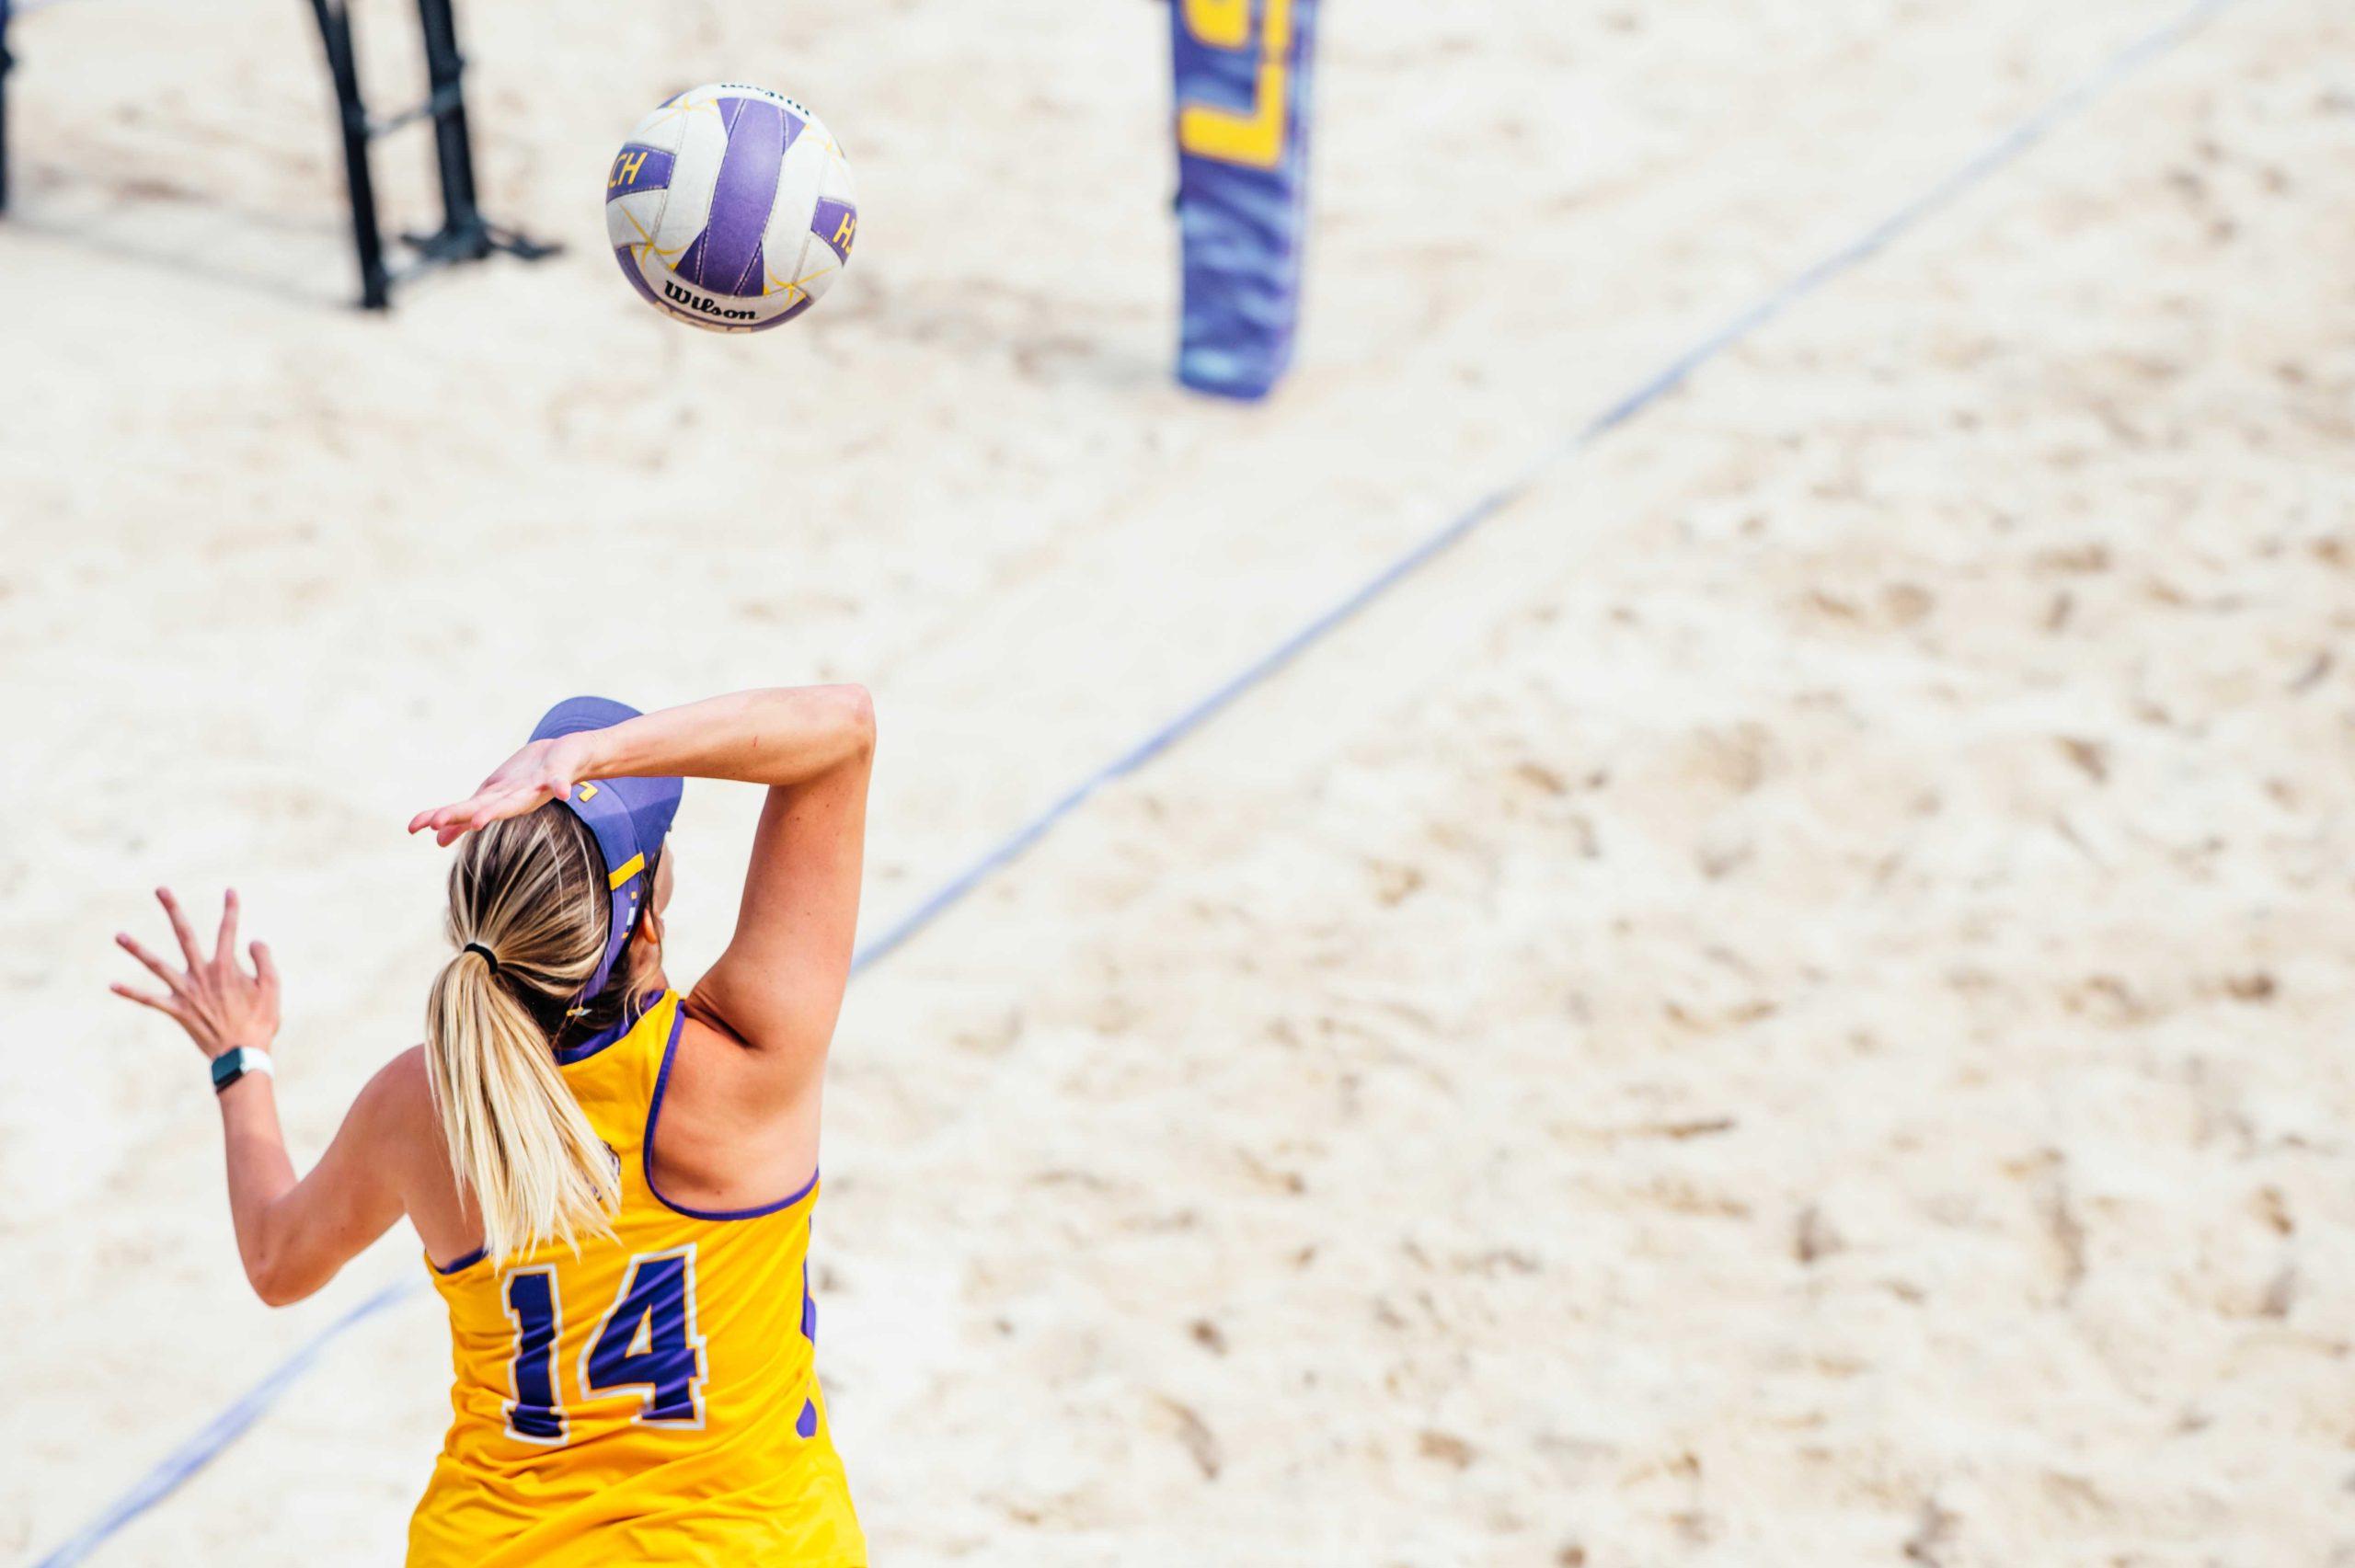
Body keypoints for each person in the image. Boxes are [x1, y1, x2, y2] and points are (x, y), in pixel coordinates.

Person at [110, 687, 877, 1566]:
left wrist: (240, 1060)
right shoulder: (742, 1065)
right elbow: (838, 732)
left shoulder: (423, 1104)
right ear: (648, 926)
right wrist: (591, 758)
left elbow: (278, 1261)